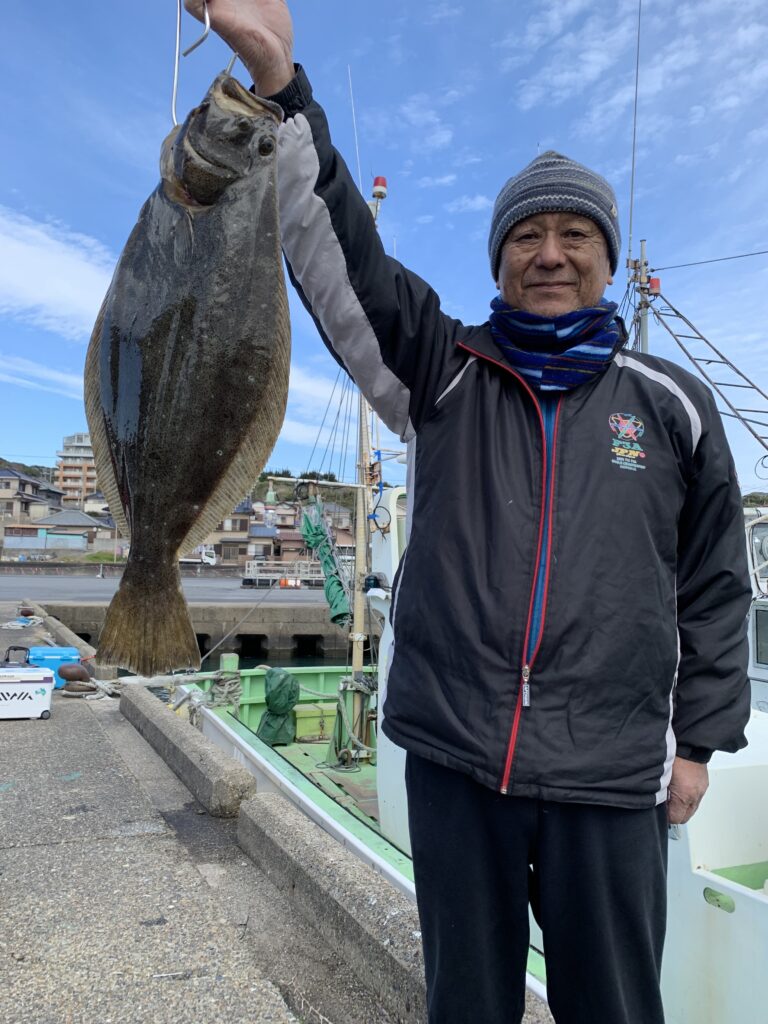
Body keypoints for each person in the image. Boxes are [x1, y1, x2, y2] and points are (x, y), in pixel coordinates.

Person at [186, 5, 752, 1022]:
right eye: (526, 235)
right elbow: (340, 251)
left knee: (618, 1007)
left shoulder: (673, 404)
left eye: (575, 234)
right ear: (497, 261)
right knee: (466, 1005)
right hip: (455, 763)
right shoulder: (440, 369)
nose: (550, 253)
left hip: (612, 774)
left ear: (607, 257)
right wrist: (279, 85)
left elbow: (716, 586)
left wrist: (698, 743)